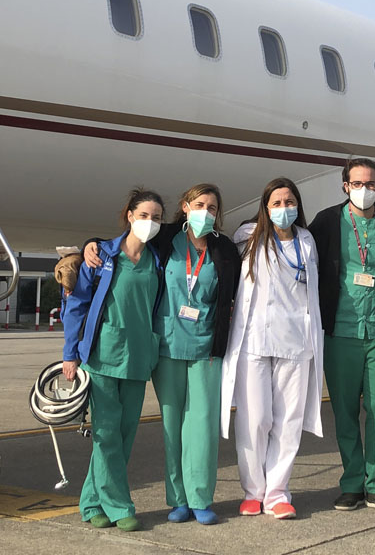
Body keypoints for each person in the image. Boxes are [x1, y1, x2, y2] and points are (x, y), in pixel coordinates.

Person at [83, 184, 240, 525]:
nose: (205, 213)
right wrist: (87, 246)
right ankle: (178, 500)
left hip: (206, 348)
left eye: (212, 208)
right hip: (166, 347)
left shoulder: (225, 250)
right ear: (185, 207)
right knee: (171, 426)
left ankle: (200, 497)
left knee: (201, 425)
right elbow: (121, 246)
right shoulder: (165, 238)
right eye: (199, 205)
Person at [61, 188, 165, 532]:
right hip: (102, 356)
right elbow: (76, 305)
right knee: (106, 434)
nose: (150, 222)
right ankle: (120, 506)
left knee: (124, 434)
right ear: (130, 216)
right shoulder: (102, 255)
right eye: (145, 215)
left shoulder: (157, 260)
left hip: (138, 357)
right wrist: (70, 355)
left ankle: (91, 503)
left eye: (157, 217)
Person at [308, 157, 375, 514]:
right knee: (346, 412)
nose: (364, 190)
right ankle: (352, 482)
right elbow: (299, 253)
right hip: (342, 331)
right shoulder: (327, 222)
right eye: (357, 184)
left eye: (370, 184)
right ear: (345, 186)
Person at [222, 177, 324, 520]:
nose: (284, 209)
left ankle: (277, 493)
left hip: (296, 344)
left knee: (288, 422)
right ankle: (253, 491)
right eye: (277, 203)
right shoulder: (248, 238)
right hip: (255, 342)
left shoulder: (307, 240)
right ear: (265, 207)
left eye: (289, 202)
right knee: (255, 420)